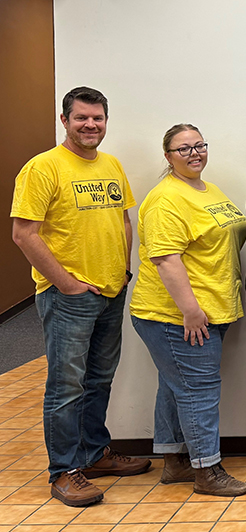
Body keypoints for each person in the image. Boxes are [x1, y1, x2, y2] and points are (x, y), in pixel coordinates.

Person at [10, 86, 151, 507]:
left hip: (110, 291)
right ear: (65, 120)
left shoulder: (111, 164)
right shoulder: (43, 168)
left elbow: (123, 220)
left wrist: (123, 270)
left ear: (106, 121)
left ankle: (93, 455)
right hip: (68, 296)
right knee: (66, 386)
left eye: (98, 118)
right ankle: (64, 471)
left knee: (98, 380)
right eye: (82, 118)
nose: (91, 125)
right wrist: (66, 282)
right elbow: (23, 234)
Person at [130, 124, 246, 496]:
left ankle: (176, 461)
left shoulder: (206, 189)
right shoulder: (166, 199)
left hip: (210, 307)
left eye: (199, 145)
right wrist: (191, 309)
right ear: (168, 156)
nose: (194, 153)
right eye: (184, 149)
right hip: (177, 315)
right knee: (198, 390)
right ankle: (206, 471)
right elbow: (165, 258)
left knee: (175, 386)